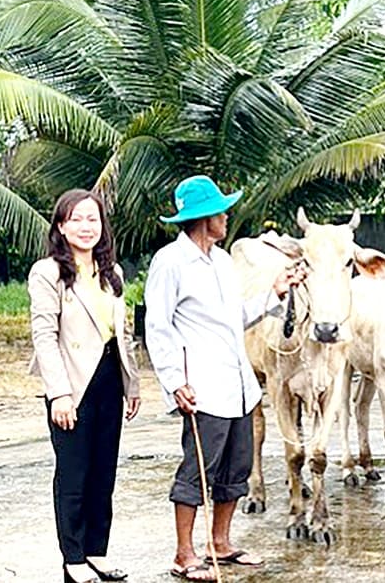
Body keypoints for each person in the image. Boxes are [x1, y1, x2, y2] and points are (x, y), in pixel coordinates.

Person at [145, 175, 305, 581]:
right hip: (202, 386)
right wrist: (173, 381)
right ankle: (185, 554)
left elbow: (235, 318)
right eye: (222, 211)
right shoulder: (170, 262)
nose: (227, 216)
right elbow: (158, 326)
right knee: (199, 469)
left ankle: (221, 541)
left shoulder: (221, 261)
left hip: (238, 386)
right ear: (203, 218)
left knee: (237, 467)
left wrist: (276, 294)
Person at [28, 189, 141, 583]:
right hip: (73, 381)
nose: (86, 227)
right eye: (76, 218)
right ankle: (73, 556)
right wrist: (58, 392)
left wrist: (133, 384)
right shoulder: (48, 273)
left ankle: (97, 550)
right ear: (61, 225)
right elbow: (44, 336)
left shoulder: (113, 274)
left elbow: (122, 335)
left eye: (93, 219)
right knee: (74, 472)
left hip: (110, 378)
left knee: (103, 472)